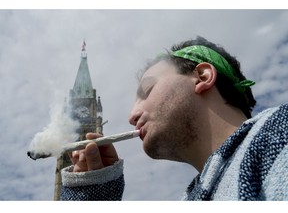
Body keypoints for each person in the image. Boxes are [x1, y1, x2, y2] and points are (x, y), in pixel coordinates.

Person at [60, 36, 288, 201]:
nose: (131, 115)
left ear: (202, 77)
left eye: (147, 90)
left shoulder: (279, 133)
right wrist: (90, 197)